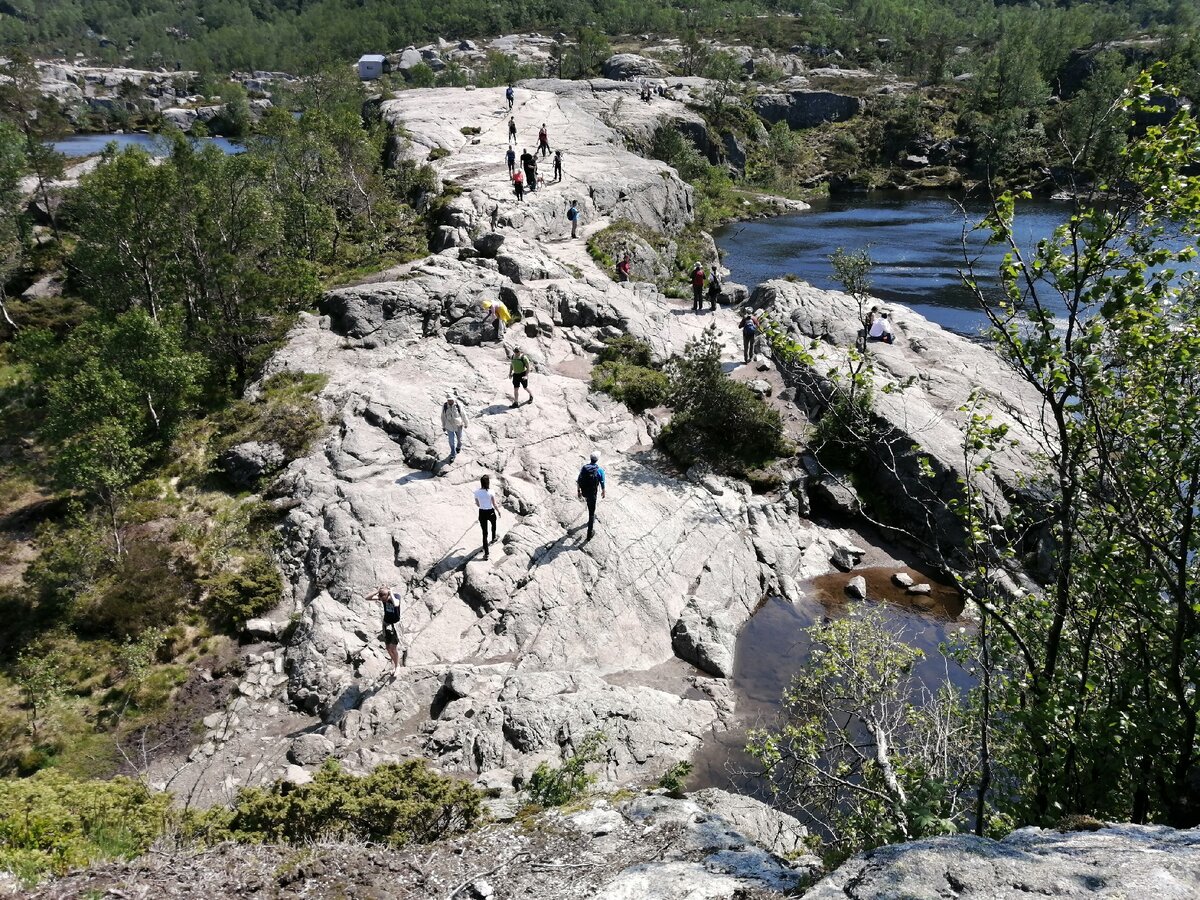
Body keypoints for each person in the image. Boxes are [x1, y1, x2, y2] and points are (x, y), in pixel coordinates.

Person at [366, 586, 402, 671]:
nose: (383, 601)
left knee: (393, 647)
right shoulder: (382, 597)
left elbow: (396, 604)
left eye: (384, 600)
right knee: (388, 648)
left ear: (387, 595)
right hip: (386, 624)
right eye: (382, 600)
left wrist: (391, 593)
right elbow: (367, 598)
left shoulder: (396, 596)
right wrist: (377, 591)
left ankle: (397, 667)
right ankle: (395, 664)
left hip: (394, 624)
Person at [576, 452, 607, 542]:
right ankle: (589, 534)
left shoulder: (584, 468)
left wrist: (579, 491)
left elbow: (578, 480)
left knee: (589, 501)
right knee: (591, 513)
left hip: (585, 492)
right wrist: (603, 492)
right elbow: (602, 482)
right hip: (592, 494)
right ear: (597, 460)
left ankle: (588, 503)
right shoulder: (599, 470)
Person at [474, 474, 500, 560]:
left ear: (481, 483)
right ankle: (493, 538)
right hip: (490, 512)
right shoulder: (491, 491)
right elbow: (494, 503)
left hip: (482, 513)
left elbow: (478, 505)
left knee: (484, 534)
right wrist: (498, 511)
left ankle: (486, 554)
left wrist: (481, 503)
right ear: (488, 482)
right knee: (494, 524)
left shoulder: (476, 492)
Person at [441, 395, 468, 460]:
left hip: (458, 425)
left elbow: (463, 414)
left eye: (451, 400)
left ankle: (458, 447)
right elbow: (443, 416)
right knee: (451, 441)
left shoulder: (458, 405)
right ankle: (453, 453)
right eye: (448, 400)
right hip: (449, 426)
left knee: (459, 439)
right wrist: (443, 426)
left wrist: (466, 423)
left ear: (453, 400)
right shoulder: (445, 406)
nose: (450, 401)